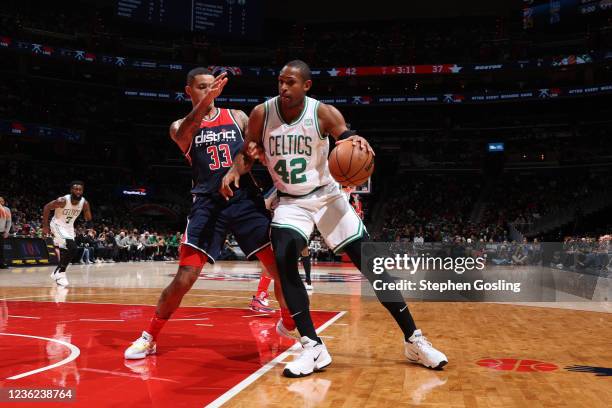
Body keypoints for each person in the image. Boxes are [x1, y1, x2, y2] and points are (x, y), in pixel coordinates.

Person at [221, 60, 447, 378]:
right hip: (290, 201)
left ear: (306, 86)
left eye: (291, 83)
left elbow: (348, 137)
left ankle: (414, 339)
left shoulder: (323, 113)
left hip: (327, 196)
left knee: (373, 265)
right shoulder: (262, 113)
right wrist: (235, 169)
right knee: (285, 258)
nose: (283, 88)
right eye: (280, 82)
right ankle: (312, 346)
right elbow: (247, 151)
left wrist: (358, 143)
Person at [124, 68, 293, 360]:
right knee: (184, 277)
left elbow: (251, 153)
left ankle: (290, 324)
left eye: (212, 87)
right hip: (207, 205)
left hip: (244, 201)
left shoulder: (237, 116)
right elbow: (184, 133)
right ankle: (149, 336)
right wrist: (206, 102)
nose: (209, 92)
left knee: (280, 270)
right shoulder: (180, 126)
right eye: (202, 87)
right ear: (189, 91)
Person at [42, 181, 93, 286]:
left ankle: (57, 272)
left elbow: (88, 218)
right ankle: (61, 273)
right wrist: (45, 227)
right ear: (71, 190)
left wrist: (90, 227)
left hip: (69, 228)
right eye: (76, 189)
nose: (78, 191)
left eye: (80, 190)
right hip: (57, 225)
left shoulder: (84, 203)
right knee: (73, 247)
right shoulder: (63, 201)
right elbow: (47, 207)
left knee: (66, 251)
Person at [0, 196, 12, 269]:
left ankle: (1, 264)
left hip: (1, 232)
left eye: (1, 201)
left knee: (1, 249)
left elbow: (9, 221)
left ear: (3, 202)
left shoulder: (6, 210)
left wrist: (7, 232)